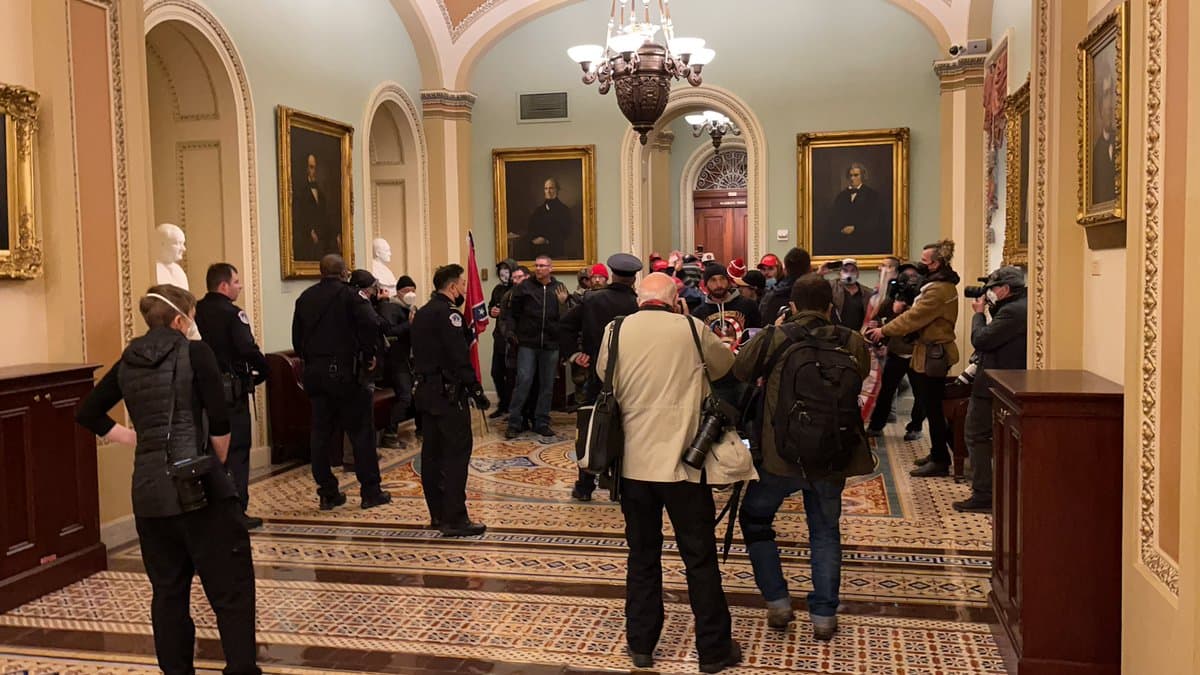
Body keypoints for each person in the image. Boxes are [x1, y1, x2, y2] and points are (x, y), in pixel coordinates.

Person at [75, 285, 260, 675]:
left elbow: (88, 412)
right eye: (191, 317)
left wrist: (134, 438)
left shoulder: (128, 360)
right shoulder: (197, 353)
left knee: (168, 593)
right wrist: (217, 464)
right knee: (231, 589)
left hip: (148, 492)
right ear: (180, 319)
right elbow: (220, 421)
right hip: (198, 488)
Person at [596, 273, 741, 673]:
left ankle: (641, 643)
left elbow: (604, 376)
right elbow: (725, 366)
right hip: (684, 464)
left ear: (638, 299)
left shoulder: (616, 330)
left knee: (642, 555)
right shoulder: (692, 328)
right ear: (676, 300)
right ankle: (713, 650)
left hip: (633, 466)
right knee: (699, 557)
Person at [733, 274, 872, 642]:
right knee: (825, 532)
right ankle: (824, 615)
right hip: (833, 453)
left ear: (792, 305)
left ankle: (777, 600)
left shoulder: (776, 336)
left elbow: (741, 369)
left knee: (755, 519)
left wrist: (776, 330)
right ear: (831, 306)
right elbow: (860, 375)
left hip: (781, 455)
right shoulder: (851, 341)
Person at [291, 254, 391, 509]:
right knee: (361, 434)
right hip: (347, 375)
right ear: (345, 272)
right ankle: (370, 491)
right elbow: (372, 323)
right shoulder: (351, 296)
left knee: (320, 435)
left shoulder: (305, 298)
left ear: (321, 272)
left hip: (315, 375)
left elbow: (297, 340)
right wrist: (369, 354)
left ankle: (327, 492)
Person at [865, 240, 961, 478]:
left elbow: (913, 318)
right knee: (931, 405)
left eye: (925, 261)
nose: (921, 264)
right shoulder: (939, 285)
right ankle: (938, 452)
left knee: (933, 407)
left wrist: (883, 331)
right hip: (927, 351)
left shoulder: (937, 290)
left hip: (933, 354)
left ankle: (940, 459)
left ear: (936, 264)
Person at [411, 264, 490, 537]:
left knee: (432, 456)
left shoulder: (421, 313)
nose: (465, 289)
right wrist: (476, 389)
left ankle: (437, 514)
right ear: (453, 286)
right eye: (463, 284)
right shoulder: (449, 315)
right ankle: (455, 518)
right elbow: (458, 357)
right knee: (455, 455)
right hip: (448, 395)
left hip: (426, 392)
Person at [558, 253, 642, 502]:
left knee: (592, 427)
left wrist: (575, 354)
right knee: (629, 429)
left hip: (597, 374)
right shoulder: (639, 304)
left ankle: (585, 487)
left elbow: (564, 326)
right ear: (633, 279)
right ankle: (623, 486)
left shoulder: (592, 299)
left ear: (612, 275)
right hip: (631, 376)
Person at [194, 263, 268, 530]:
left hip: (202, 392)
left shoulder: (195, 311)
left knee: (209, 450)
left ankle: (213, 508)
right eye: (236, 282)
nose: (240, 286)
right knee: (236, 451)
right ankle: (236, 510)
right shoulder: (233, 314)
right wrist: (264, 368)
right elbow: (247, 348)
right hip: (230, 393)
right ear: (223, 286)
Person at [953, 267, 1028, 513]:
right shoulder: (1019, 305)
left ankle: (983, 493)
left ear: (1005, 289)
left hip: (993, 384)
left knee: (976, 435)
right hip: (1003, 381)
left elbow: (982, 339)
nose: (988, 293)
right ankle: (990, 489)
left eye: (992, 288)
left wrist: (978, 314)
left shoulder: (1013, 312)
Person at [505, 255, 568, 439]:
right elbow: (512, 313)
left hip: (551, 343)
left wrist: (563, 304)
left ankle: (541, 422)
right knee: (523, 382)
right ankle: (514, 422)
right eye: (537, 265)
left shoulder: (559, 288)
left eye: (542, 266)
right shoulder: (524, 287)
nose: (539, 268)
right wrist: (513, 332)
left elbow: (566, 318)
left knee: (547, 385)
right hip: (528, 343)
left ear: (550, 268)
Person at [866, 263, 926, 441]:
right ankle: (876, 425)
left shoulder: (924, 300)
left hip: (917, 353)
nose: (909, 281)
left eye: (913, 277)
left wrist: (907, 310)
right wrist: (893, 315)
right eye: (906, 277)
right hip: (896, 352)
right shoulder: (891, 301)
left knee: (921, 394)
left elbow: (921, 322)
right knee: (886, 391)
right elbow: (877, 322)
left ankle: (915, 427)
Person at [379, 275, 419, 448]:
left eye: (413, 291)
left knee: (415, 394)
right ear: (399, 292)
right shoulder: (390, 308)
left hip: (409, 360)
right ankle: (390, 434)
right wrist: (409, 324)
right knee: (404, 397)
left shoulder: (412, 309)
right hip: (395, 361)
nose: (410, 294)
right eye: (406, 291)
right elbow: (389, 333)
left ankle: (421, 429)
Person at [825, 162, 888, 254]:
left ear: (862, 176)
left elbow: (875, 221)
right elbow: (834, 218)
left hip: (864, 243)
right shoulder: (841, 196)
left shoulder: (872, 195)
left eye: (856, 175)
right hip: (843, 244)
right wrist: (841, 229)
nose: (852, 178)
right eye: (850, 175)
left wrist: (855, 229)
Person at [693, 263, 763, 342]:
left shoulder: (749, 305)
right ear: (706, 284)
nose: (719, 284)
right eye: (713, 280)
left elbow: (758, 338)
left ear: (728, 281)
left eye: (722, 279)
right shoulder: (698, 313)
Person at [515, 178, 577, 260]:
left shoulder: (564, 210)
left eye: (551, 188)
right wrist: (534, 239)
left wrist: (547, 239)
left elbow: (566, 231)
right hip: (536, 247)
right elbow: (531, 228)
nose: (548, 191)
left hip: (554, 248)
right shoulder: (538, 210)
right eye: (546, 188)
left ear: (557, 190)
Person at [293, 153, 339, 260]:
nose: (314, 171)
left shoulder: (321, 191)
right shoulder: (300, 191)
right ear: (306, 169)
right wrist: (310, 231)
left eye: (315, 167)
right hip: (308, 240)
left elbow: (325, 215)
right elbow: (299, 216)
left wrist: (336, 234)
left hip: (322, 238)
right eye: (311, 167)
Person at [488, 258, 518, 418]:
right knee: (496, 372)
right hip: (499, 337)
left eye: (507, 269)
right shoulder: (497, 289)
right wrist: (492, 311)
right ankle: (503, 404)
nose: (504, 273)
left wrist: (504, 312)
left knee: (512, 374)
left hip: (513, 338)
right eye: (501, 270)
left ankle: (511, 406)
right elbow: (491, 306)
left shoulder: (519, 289)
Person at [759, 247, 812, 326]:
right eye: (763, 269)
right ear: (809, 268)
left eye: (770, 269)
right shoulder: (816, 294)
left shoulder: (771, 296)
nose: (766, 273)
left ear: (784, 270)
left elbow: (764, 326)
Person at [821, 258, 875, 331]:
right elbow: (812, 289)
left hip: (858, 335)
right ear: (839, 273)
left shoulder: (867, 293)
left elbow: (874, 315)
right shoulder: (830, 287)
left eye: (853, 270)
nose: (849, 274)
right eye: (845, 270)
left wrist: (875, 323)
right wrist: (819, 274)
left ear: (857, 274)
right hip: (835, 334)